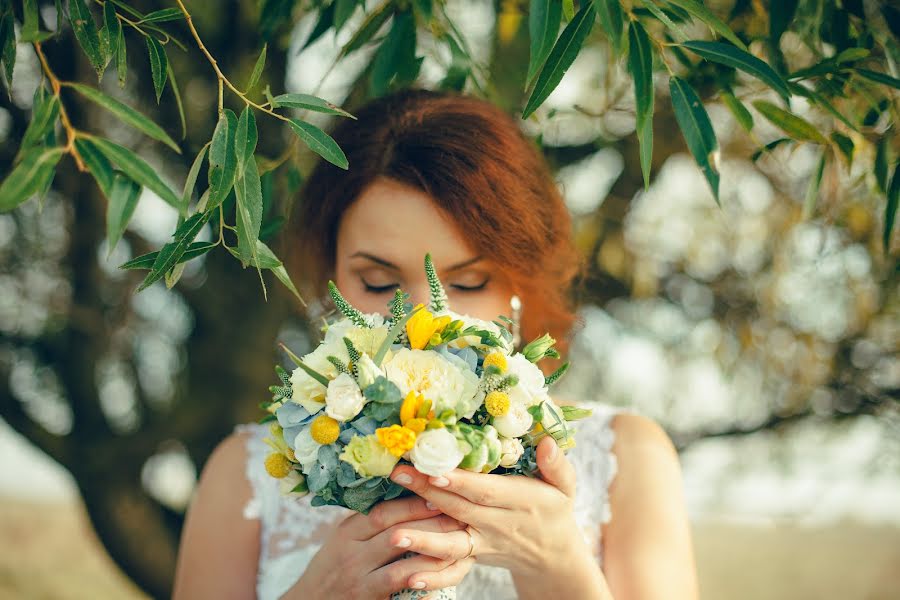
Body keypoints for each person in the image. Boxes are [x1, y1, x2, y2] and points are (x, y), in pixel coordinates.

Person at [173, 88, 698, 600]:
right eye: (378, 283)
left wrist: (555, 564)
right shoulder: (244, 477)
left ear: (521, 282)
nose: (426, 317)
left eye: (469, 283)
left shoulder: (627, 460)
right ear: (330, 278)